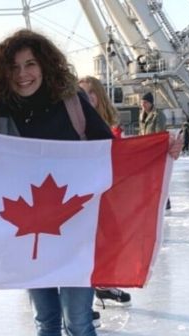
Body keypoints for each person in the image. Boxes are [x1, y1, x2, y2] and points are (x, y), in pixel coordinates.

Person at [0, 29, 114, 336]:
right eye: (13, 68)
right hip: (28, 234)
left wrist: (159, 151)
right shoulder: (0, 111)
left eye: (30, 64)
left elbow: (110, 152)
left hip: (75, 228)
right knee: (45, 318)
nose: (23, 74)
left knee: (79, 321)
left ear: (44, 65)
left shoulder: (71, 102)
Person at [77, 76, 132, 313]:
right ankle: (81, 303)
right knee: (84, 248)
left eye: (90, 92)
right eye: (80, 93)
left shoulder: (110, 128)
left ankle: (101, 284)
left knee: (109, 243)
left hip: (105, 197)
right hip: (81, 199)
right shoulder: (72, 128)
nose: (85, 97)